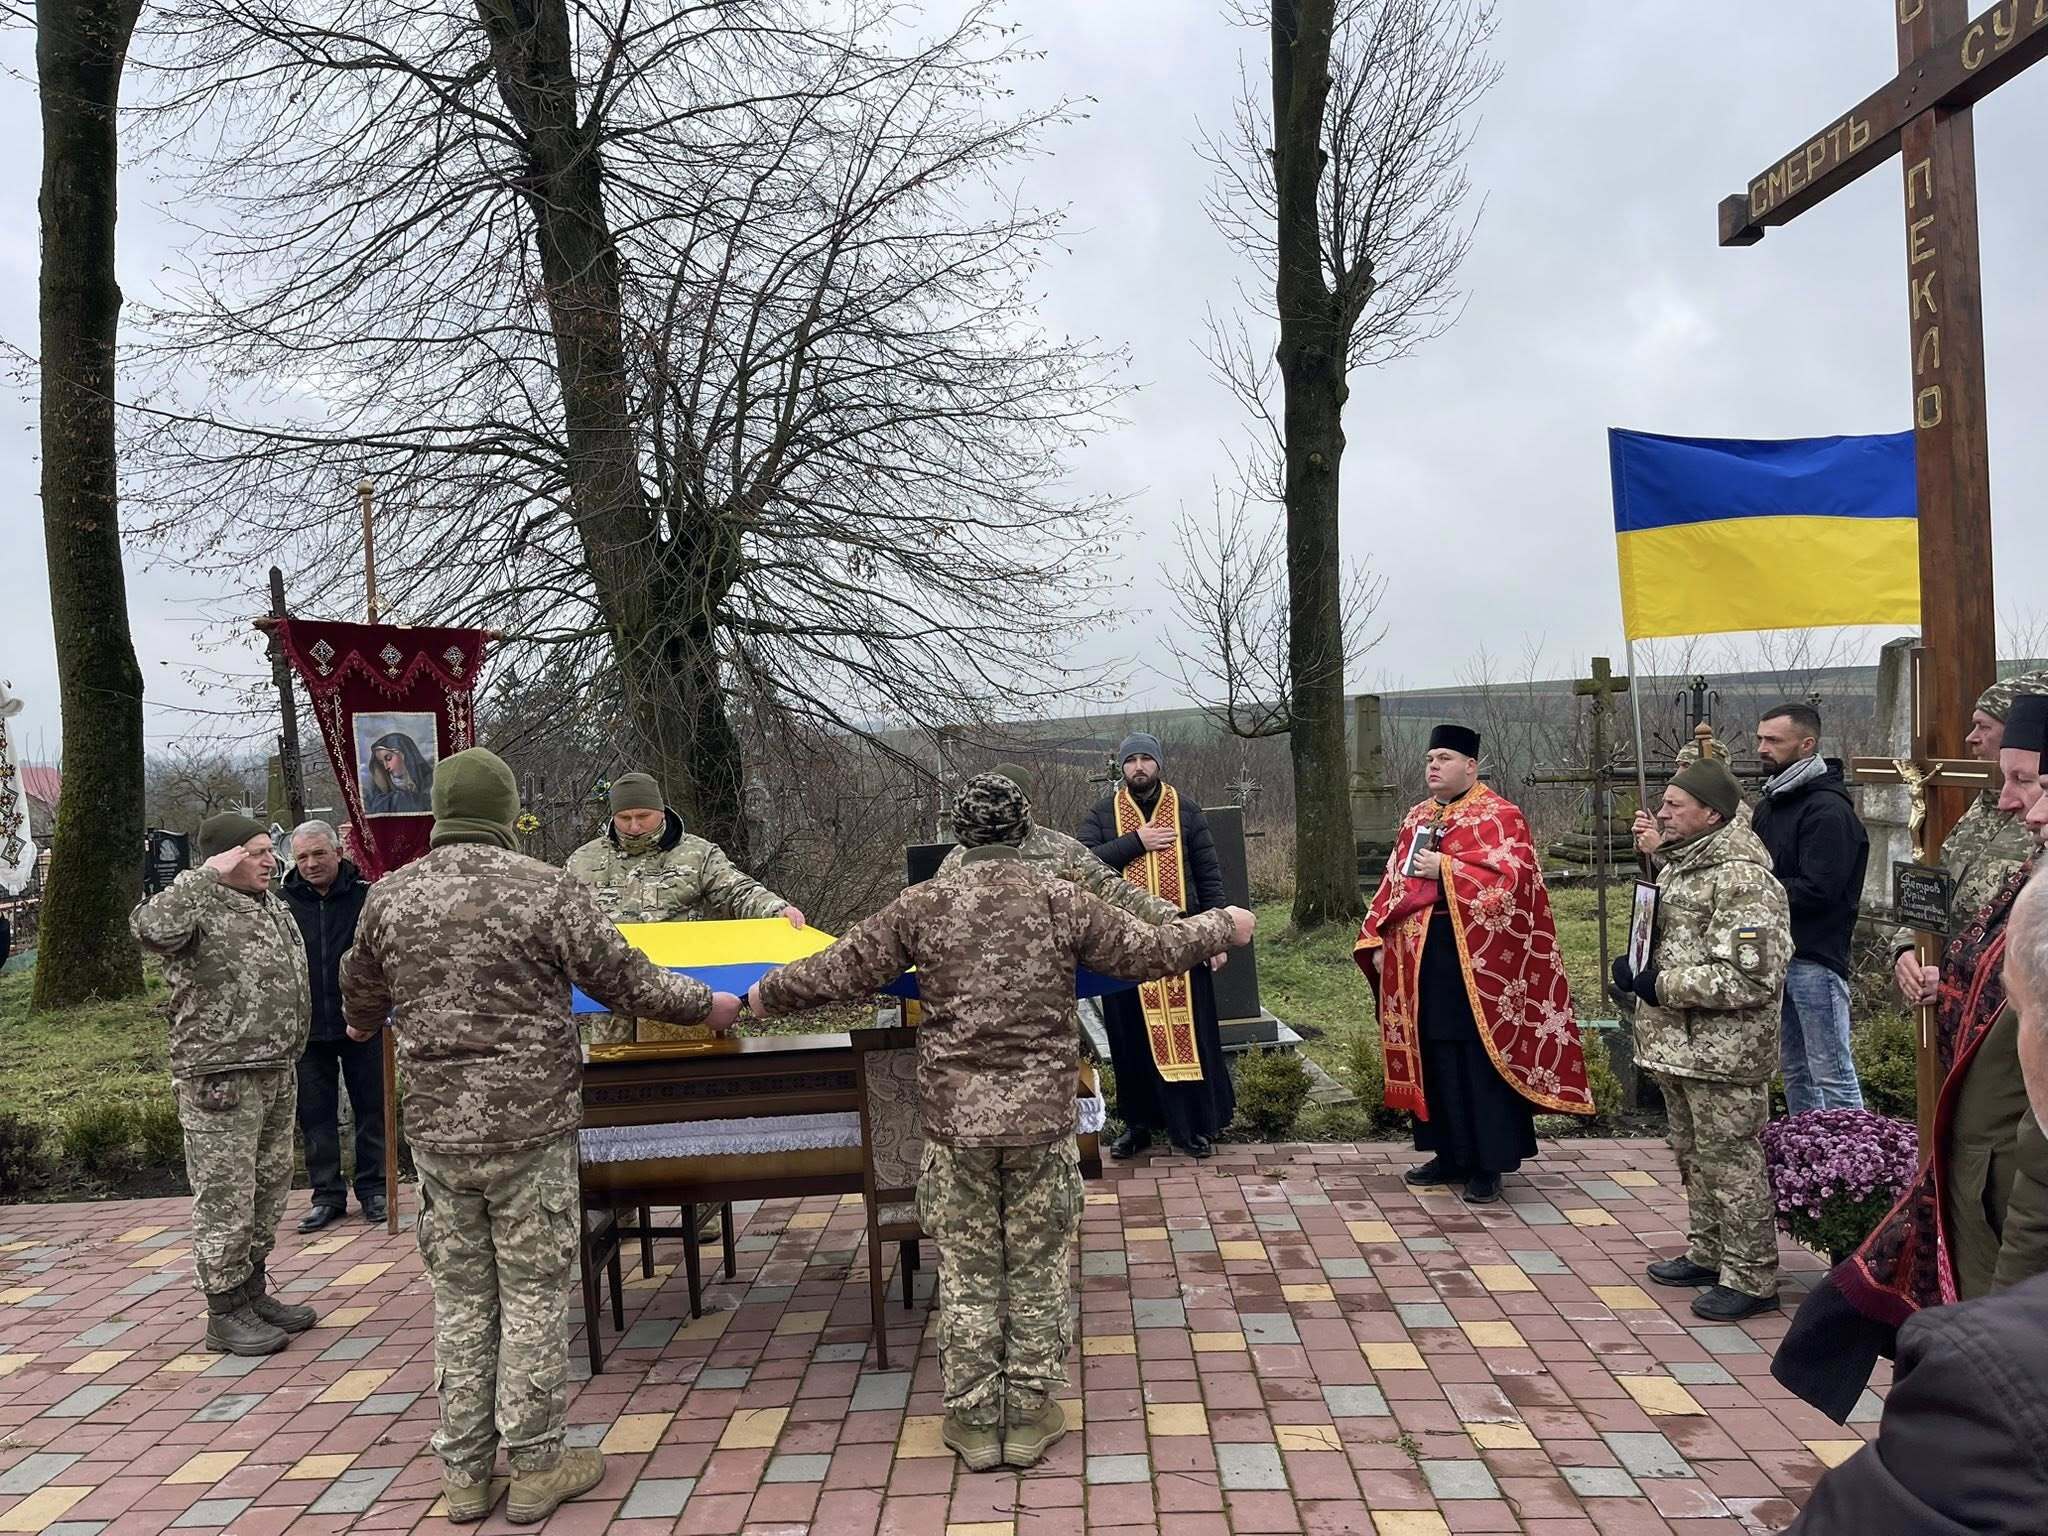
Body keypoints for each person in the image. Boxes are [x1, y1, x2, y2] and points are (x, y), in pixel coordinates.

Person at [748, 774, 1253, 1473]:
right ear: (1025, 831)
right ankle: (1031, 1414)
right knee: (1038, 1267)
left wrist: (758, 997)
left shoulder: (923, 904)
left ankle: (974, 1419)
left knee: (968, 1270)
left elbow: (840, 968)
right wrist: (1225, 924)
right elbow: (1147, 950)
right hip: (1041, 1121)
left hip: (956, 1126)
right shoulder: (1059, 897)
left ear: (961, 834)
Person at [340, 748, 743, 1525]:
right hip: (530, 1128)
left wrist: (361, 1022)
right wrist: (708, 1005)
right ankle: (536, 1465)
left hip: (439, 1134)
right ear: (505, 811)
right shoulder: (546, 887)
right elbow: (623, 979)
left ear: (440, 811)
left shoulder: (390, 896)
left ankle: (464, 1474)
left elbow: (359, 990)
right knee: (531, 1293)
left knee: (461, 1298)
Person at [1785, 864, 2048, 1532]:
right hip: (1977, 1181)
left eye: (2021, 1007)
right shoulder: (2014, 871)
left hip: (2006, 1201)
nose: (2025, 813)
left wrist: (1999, 1329)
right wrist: (1912, 949)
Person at [1356, 724, 1594, 1205]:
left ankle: (1488, 1163)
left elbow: (1514, 884)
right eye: (1429, 759)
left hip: (1481, 959)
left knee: (1477, 1054)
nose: (1433, 766)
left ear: (1471, 765)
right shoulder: (1417, 816)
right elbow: (1393, 881)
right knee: (1433, 1051)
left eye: (1444, 758)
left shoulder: (1501, 815)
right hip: (1419, 957)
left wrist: (1445, 868)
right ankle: (1448, 1153)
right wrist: (1376, 934)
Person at [130, 811, 317, 1356]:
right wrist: (202, 876)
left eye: (269, 850)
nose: (269, 860)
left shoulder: (270, 903)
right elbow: (149, 928)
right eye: (255, 852)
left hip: (275, 1066)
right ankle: (224, 1310)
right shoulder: (196, 903)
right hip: (220, 1074)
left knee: (268, 1186)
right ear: (223, 857)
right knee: (226, 1193)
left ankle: (251, 1292)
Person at [1617, 756, 1792, 1322]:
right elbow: (1668, 941)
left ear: (1712, 813)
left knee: (1732, 1161)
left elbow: (1752, 978)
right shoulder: (1681, 866)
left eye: (1675, 805)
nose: (1662, 813)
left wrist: (1659, 984)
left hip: (1724, 1053)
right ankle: (1709, 1251)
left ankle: (1751, 1275)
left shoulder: (1743, 880)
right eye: (1664, 803)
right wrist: (1635, 967)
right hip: (1679, 1046)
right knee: (1694, 1155)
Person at [1078, 733, 1235, 1160]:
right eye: (1131, 760)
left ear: (1159, 764)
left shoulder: (1186, 810)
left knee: (1190, 1033)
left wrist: (1217, 935)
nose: (1139, 767)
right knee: (1130, 1037)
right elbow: (1084, 865)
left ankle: (1190, 1127)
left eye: (1146, 758)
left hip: (1184, 944)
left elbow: (1208, 874)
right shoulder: (1103, 813)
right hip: (1123, 947)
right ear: (1122, 768)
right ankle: (1138, 1126)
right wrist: (1136, 842)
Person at [566, 770, 803, 1045]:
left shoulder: (698, 854)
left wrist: (776, 909)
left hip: (683, 993)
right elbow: (562, 915)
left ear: (661, 811)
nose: (634, 826)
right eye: (624, 818)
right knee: (617, 1067)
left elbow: (737, 890)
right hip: (613, 998)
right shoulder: (583, 860)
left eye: (643, 816)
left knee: (686, 1062)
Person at [1889, 670, 2048, 1012]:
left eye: (1983, 726)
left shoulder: (2038, 824)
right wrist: (1908, 947)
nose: (1970, 738)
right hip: (1953, 1006)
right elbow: (1936, 882)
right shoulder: (1983, 806)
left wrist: (1954, 983)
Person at [1750, 703, 1869, 1112]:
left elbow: (1820, 889)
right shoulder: (1771, 802)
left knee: (1831, 1070)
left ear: (1807, 744)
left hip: (1815, 956)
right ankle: (1806, 1142)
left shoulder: (1828, 811)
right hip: (1778, 955)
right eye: (1760, 738)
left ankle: (1852, 1146)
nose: (1762, 748)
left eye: (1773, 740)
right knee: (1795, 1068)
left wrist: (1754, 891)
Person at [280, 820, 384, 1231]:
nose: (310, 864)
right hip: (307, 1027)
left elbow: (379, 957)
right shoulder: (281, 904)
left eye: (319, 854)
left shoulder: (366, 896)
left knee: (371, 1108)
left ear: (338, 852)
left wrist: (373, 1010)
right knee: (314, 1115)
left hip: (362, 1022)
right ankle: (326, 1194)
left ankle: (375, 1189)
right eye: (302, 857)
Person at [937, 765, 1176, 925]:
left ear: (1026, 805)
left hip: (1049, 974)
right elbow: (936, 912)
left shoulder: (1060, 849)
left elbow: (1111, 889)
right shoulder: (958, 857)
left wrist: (1171, 917)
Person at [365, 732, 435, 814]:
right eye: (381, 763)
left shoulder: (430, 779)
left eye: (388, 758)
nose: (386, 767)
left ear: (404, 754)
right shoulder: (380, 788)